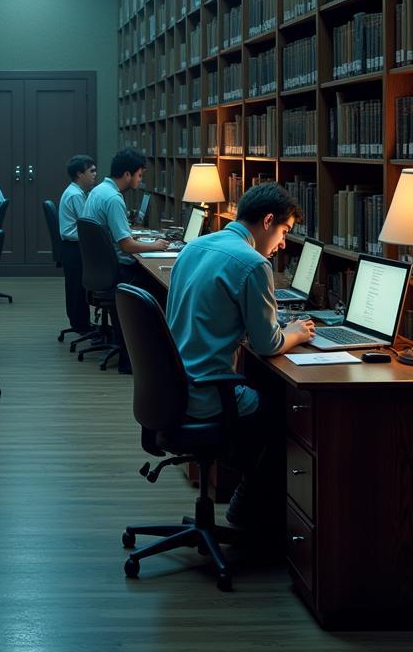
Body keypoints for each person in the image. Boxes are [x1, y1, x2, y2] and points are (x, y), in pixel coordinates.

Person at [164, 182, 316, 532]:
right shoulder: (252, 264)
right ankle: (247, 516)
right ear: (266, 221)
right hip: (207, 393)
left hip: (173, 386)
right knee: (289, 423)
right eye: (284, 232)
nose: (281, 245)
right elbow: (267, 343)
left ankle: (250, 510)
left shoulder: (195, 247)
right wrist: (296, 332)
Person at [81, 149, 170, 371]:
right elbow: (126, 245)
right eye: (140, 175)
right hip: (119, 270)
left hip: (102, 269)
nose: (141, 180)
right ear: (128, 174)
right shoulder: (113, 199)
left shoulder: (98, 191)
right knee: (164, 287)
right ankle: (149, 356)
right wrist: (155, 246)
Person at [58, 154, 97, 333]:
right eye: (91, 171)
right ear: (79, 174)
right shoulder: (76, 195)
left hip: (71, 246)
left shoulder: (75, 192)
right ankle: (82, 326)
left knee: (75, 287)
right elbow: (87, 223)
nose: (95, 174)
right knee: (77, 289)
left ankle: (79, 323)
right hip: (74, 247)